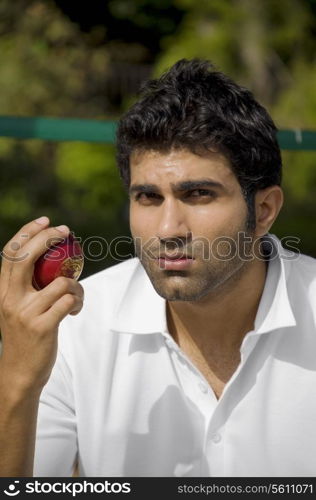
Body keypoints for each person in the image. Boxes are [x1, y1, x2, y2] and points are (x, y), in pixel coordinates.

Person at [0, 58, 316, 478]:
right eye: (148, 197)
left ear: (263, 210)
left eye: (199, 194)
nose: (168, 229)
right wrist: (18, 380)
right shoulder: (74, 328)